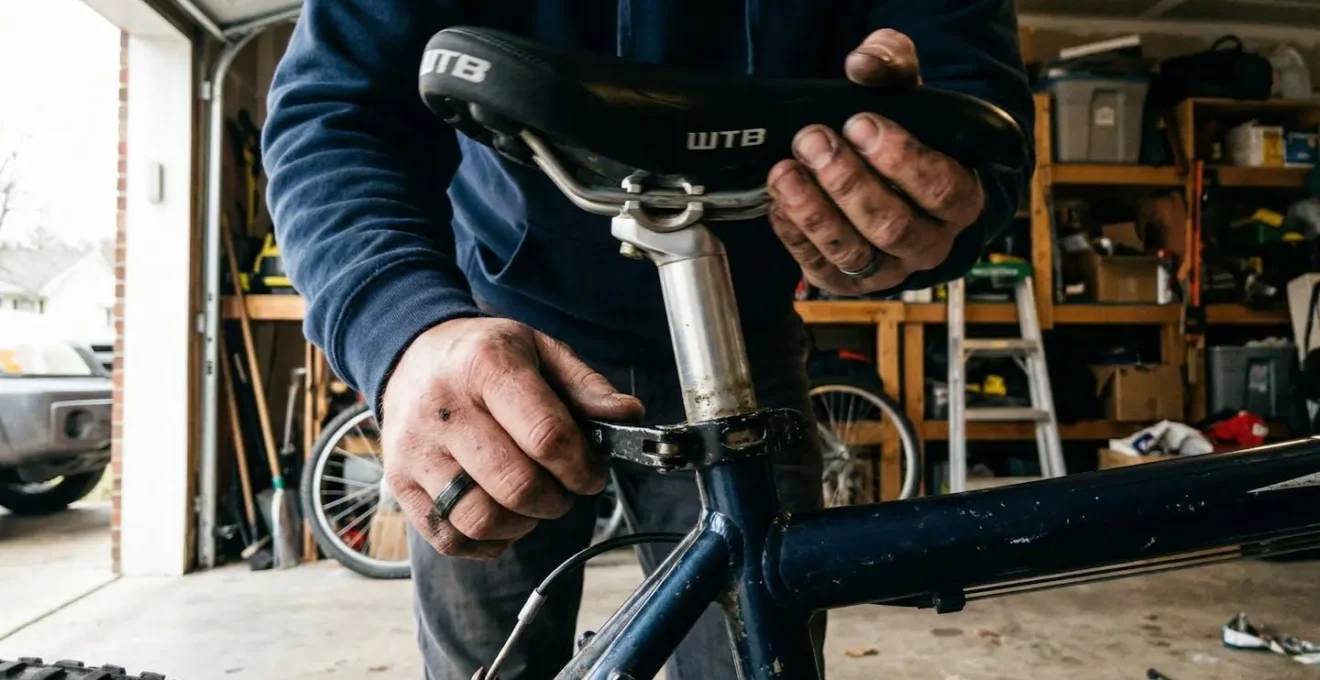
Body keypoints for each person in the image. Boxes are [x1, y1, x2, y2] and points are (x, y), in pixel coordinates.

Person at [263, 2, 1033, 678]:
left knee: (753, 656)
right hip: (498, 332)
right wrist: (406, 329)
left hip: (740, 331)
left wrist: (935, 188)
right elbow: (337, 107)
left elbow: (973, 92)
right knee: (488, 660)